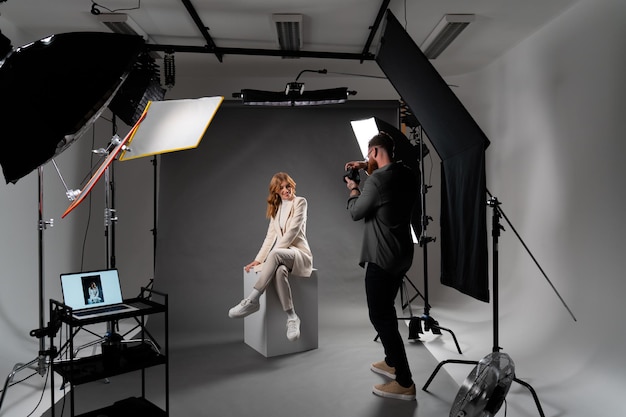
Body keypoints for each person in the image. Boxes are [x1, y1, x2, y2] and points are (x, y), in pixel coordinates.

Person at [344, 132, 419, 401]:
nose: (366, 160)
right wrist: (366, 166)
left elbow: (356, 211)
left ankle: (404, 381)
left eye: (368, 155)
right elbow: (385, 179)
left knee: (380, 315)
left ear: (375, 151)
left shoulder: (376, 181)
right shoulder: (408, 174)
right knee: (386, 308)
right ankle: (391, 360)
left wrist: (353, 187)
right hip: (402, 255)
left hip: (381, 257)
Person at [228, 172, 313, 342]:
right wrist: (259, 260)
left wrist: (272, 257)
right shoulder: (276, 210)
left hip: (299, 254)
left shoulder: (300, 202)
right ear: (275, 191)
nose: (285, 190)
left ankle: (252, 300)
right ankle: (292, 317)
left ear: (292, 185)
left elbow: (293, 232)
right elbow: (269, 238)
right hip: (282, 258)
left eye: (287, 185)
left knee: (276, 256)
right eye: (281, 188)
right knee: (279, 271)